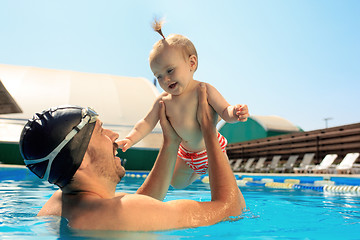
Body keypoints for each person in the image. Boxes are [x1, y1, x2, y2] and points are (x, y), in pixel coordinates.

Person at [19, 84, 246, 231]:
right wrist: (209, 133)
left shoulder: (57, 205)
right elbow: (230, 209)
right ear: (83, 159)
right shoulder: (123, 213)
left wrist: (171, 142)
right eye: (101, 132)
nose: (114, 136)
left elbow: (142, 206)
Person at [117, 20, 250, 188]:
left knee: (224, 187)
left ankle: (202, 172)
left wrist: (235, 113)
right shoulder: (163, 101)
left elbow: (224, 111)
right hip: (186, 154)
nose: (165, 79)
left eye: (170, 70)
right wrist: (130, 139)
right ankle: (197, 173)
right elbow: (145, 123)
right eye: (158, 76)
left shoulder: (204, 90)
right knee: (176, 184)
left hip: (212, 150)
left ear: (191, 63)